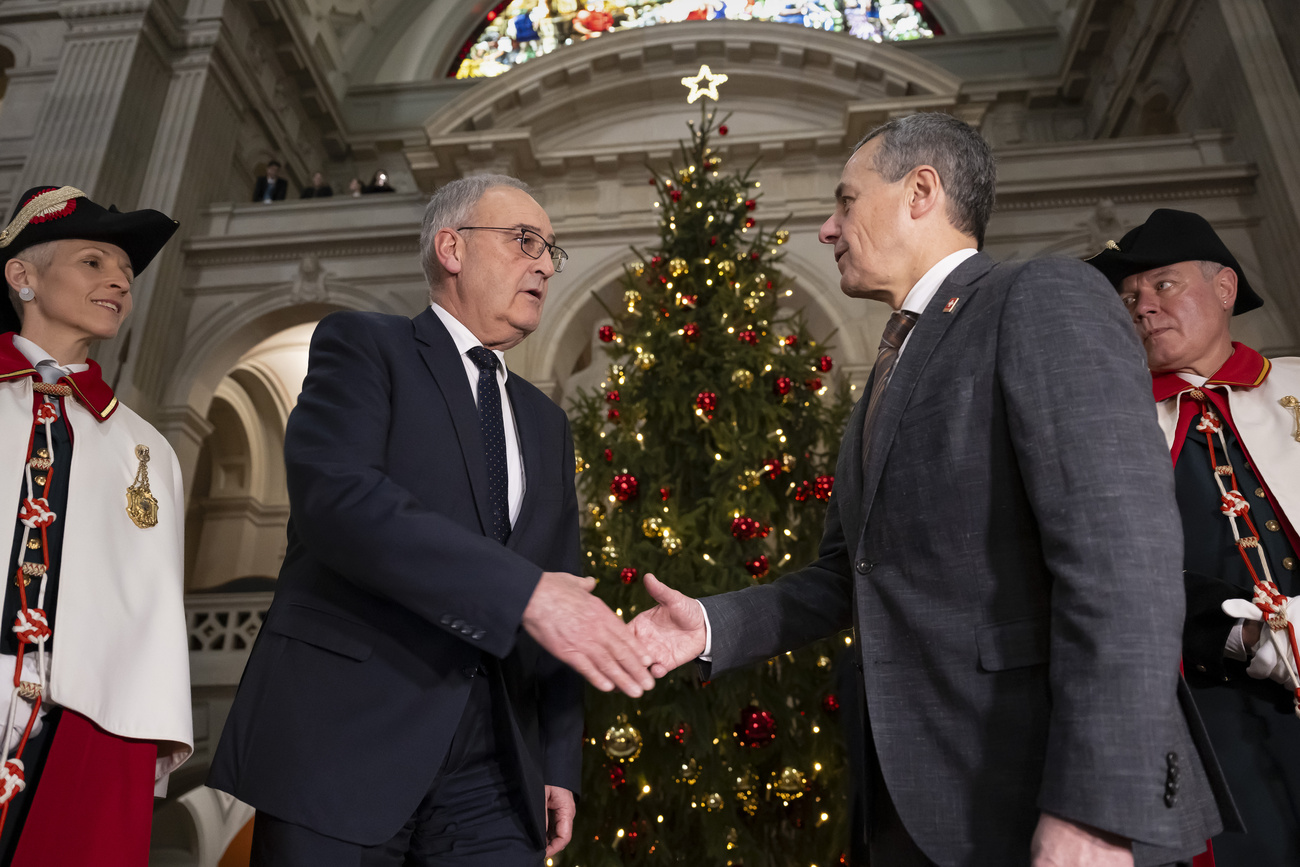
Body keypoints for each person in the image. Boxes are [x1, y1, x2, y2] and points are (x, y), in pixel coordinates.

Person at [630, 113, 1236, 866]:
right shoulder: (886, 372)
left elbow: (1124, 559)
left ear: (921, 192)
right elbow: (848, 575)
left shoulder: (1042, 296)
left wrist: (1095, 809)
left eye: (845, 201)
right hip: (920, 804)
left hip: (1048, 802)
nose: (827, 227)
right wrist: (712, 626)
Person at [208, 174, 655, 866]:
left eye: (550, 251)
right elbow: (341, 501)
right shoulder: (363, 346)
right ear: (451, 247)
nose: (543, 263)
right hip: (343, 740)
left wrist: (558, 759)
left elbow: (567, 594)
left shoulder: (546, 424)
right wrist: (522, 592)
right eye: (524, 241)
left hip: (492, 771)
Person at [1087, 208, 1300, 865]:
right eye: (1128, 298)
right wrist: (1242, 641)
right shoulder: (1107, 429)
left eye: (1163, 285)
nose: (1142, 306)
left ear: (1225, 289)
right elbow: (1118, 577)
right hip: (1213, 708)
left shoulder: (1295, 385)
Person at [0, 185, 192, 865]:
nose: (119, 280)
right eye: (93, 262)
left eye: (126, 273)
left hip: (83, 719)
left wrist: (149, 734)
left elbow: (151, 605)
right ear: (22, 274)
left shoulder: (146, 449)